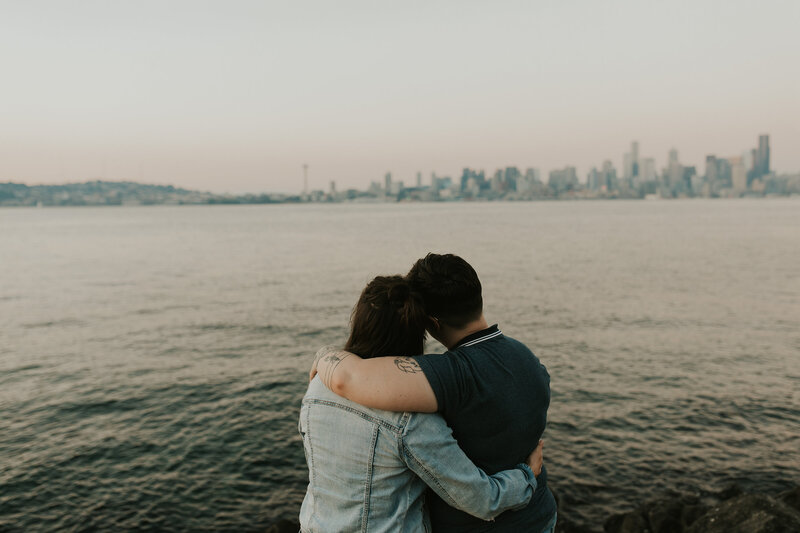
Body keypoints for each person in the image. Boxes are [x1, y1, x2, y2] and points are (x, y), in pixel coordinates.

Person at [312, 254, 557, 533]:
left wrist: (326, 355)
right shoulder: (528, 359)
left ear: (432, 323)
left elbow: (349, 378)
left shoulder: (450, 374)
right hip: (540, 516)